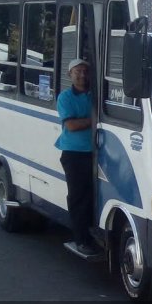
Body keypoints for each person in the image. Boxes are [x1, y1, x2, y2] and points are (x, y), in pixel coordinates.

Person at [54, 58, 98, 258]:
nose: (82, 75)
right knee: (78, 197)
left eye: (85, 71)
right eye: (77, 72)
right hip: (74, 154)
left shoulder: (95, 94)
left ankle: (92, 234)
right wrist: (96, 120)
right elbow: (71, 125)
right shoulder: (65, 97)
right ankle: (80, 239)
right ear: (69, 75)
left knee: (93, 196)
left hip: (96, 153)